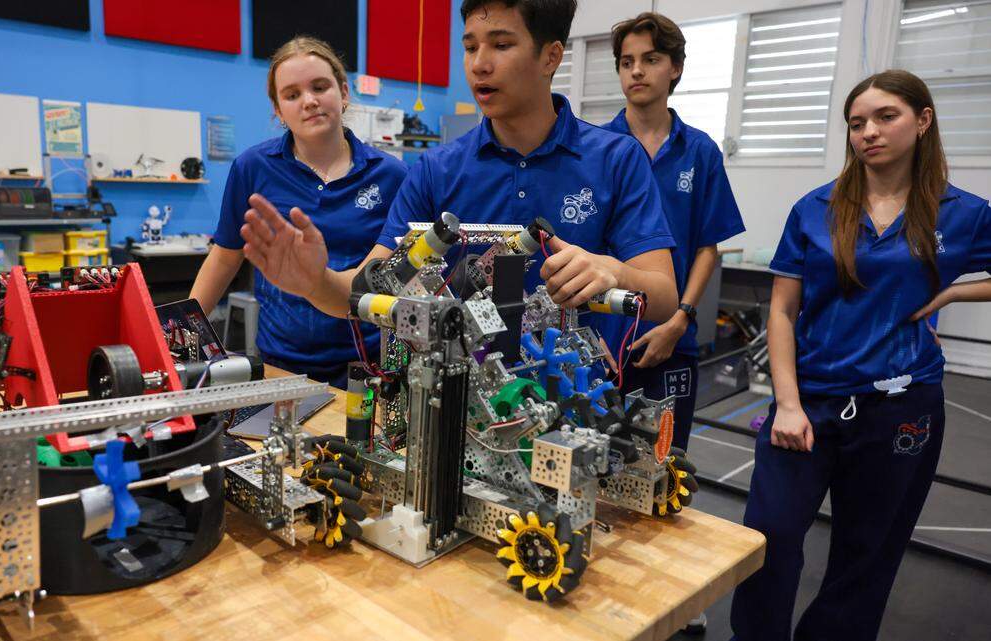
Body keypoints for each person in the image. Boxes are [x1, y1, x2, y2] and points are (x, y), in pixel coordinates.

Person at [237, 0, 679, 349]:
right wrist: (317, 283)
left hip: (572, 402)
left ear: (550, 57)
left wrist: (614, 272)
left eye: (501, 45)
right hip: (456, 411)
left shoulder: (616, 158)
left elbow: (663, 296)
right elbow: (371, 289)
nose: (478, 64)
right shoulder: (436, 170)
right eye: (470, 47)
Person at [730, 70, 991, 641]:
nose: (868, 131)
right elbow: (781, 312)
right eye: (856, 123)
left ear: (922, 122)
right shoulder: (815, 208)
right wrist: (789, 404)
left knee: (867, 555)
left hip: (901, 409)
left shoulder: (962, 212)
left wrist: (952, 291)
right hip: (809, 403)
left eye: (885, 117)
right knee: (768, 538)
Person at [601, 13, 746, 635]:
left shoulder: (700, 152)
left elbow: (709, 243)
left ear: (675, 69)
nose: (637, 70)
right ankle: (607, 590)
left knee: (665, 465)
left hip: (673, 342)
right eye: (627, 60)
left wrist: (681, 317)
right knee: (595, 461)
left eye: (650, 59)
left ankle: (674, 600)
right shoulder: (595, 146)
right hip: (603, 345)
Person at [190, 37, 407, 389]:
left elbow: (391, 273)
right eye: (291, 95)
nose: (309, 101)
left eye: (320, 87)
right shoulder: (253, 168)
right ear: (278, 110)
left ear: (344, 92)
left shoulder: (391, 174)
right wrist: (179, 335)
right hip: (283, 362)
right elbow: (225, 258)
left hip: (370, 361)